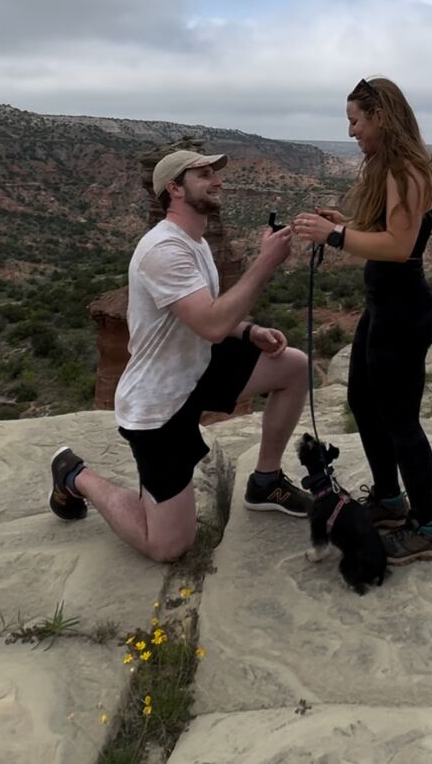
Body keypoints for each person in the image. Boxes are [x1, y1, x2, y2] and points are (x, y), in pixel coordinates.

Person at [48, 149, 311, 562]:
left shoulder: (196, 242)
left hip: (198, 369)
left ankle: (266, 480)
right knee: (169, 547)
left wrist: (249, 330)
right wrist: (265, 263)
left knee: (294, 366)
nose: (217, 180)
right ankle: (73, 475)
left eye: (215, 173)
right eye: (204, 174)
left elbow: (206, 313)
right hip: (159, 403)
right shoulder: (162, 250)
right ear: (174, 188)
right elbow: (209, 323)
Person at [294, 76, 432, 566]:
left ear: (380, 116)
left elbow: (399, 248)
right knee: (364, 400)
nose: (351, 132)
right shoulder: (391, 169)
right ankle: (389, 499)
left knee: (400, 420)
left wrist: (336, 238)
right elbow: (382, 231)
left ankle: (428, 528)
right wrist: (340, 222)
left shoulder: (406, 170)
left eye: (355, 121)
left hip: (403, 310)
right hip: (385, 306)